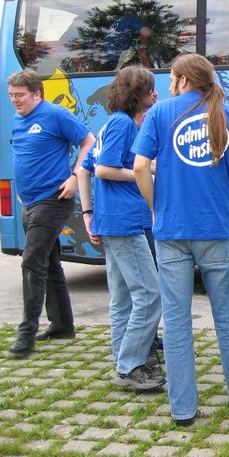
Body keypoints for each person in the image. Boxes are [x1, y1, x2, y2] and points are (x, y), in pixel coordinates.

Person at [132, 53, 229, 426]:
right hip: (216, 228)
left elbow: (139, 167)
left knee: (176, 322)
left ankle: (183, 409)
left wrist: (156, 206)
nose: (168, 84)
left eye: (172, 77)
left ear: (183, 79)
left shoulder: (159, 113)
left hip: (172, 230)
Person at [76, 66, 165, 391]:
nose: (155, 94)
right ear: (138, 94)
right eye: (151, 89)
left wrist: (88, 213)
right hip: (125, 222)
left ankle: (124, 359)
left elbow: (83, 169)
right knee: (150, 294)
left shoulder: (112, 123)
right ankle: (130, 365)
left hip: (111, 221)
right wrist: (144, 174)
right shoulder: (123, 124)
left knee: (123, 298)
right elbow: (103, 169)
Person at [6, 69, 95, 357]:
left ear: (37, 94)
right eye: (11, 95)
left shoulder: (56, 114)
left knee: (32, 263)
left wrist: (75, 176)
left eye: (20, 95)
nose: (15, 100)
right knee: (50, 262)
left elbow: (89, 141)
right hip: (29, 202)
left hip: (53, 200)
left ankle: (25, 335)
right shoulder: (18, 119)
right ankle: (62, 326)